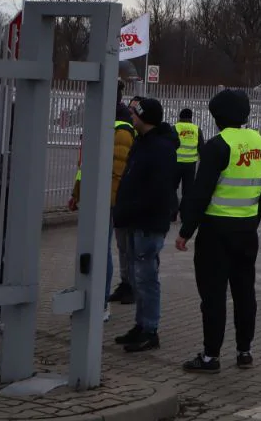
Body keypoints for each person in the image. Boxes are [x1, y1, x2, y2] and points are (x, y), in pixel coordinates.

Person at [176, 89, 261, 373]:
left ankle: (210, 356)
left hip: (215, 232)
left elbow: (200, 193)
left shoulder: (217, 146)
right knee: (245, 293)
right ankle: (244, 350)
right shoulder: (260, 144)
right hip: (246, 231)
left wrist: (186, 230)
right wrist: (252, 222)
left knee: (214, 295)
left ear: (217, 117)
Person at [113, 97, 178, 353]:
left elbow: (157, 190)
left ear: (144, 117)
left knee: (146, 278)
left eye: (133, 112)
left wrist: (133, 209)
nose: (130, 115)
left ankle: (149, 329)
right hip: (135, 221)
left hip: (147, 223)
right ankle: (140, 326)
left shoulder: (160, 148)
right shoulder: (143, 143)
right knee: (139, 278)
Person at [71, 81, 137, 314]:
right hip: (95, 197)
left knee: (101, 249)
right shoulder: (101, 121)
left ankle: (101, 304)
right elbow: (86, 163)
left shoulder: (120, 129)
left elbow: (118, 171)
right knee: (93, 249)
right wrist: (77, 192)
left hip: (107, 201)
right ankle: (91, 298)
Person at [173, 108, 204, 222]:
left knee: (172, 188)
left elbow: (170, 145)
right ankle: (185, 215)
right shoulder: (197, 129)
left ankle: (172, 213)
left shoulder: (175, 128)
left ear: (179, 117)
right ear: (191, 118)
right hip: (190, 164)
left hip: (175, 163)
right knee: (188, 191)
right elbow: (201, 147)